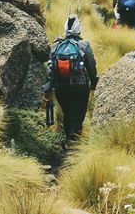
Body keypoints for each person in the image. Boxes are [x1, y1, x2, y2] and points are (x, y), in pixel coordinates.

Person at [42, 14, 98, 145]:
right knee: (78, 114)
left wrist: (47, 89)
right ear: (79, 29)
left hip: (61, 86)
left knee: (67, 113)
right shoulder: (83, 45)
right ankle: (74, 142)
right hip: (80, 86)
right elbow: (91, 66)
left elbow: (50, 68)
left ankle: (68, 139)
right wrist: (94, 84)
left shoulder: (56, 45)